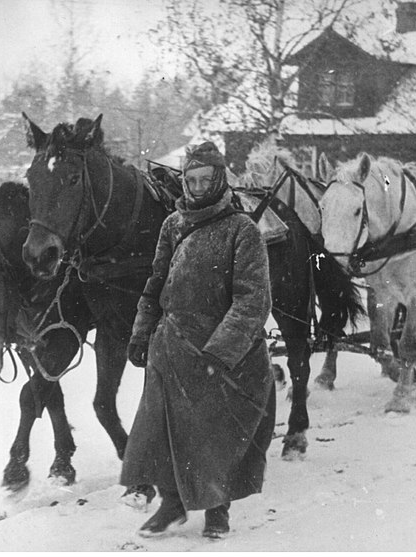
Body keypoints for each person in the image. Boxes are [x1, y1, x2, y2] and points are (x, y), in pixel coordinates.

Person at [121, 141, 276, 539]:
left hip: (218, 350)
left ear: (220, 180)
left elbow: (252, 298)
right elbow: (156, 283)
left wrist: (221, 352)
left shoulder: (241, 230)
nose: (198, 187)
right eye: (191, 180)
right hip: (170, 345)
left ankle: (217, 510)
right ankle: (172, 504)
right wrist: (142, 332)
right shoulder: (173, 225)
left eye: (206, 179)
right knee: (161, 429)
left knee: (212, 431)